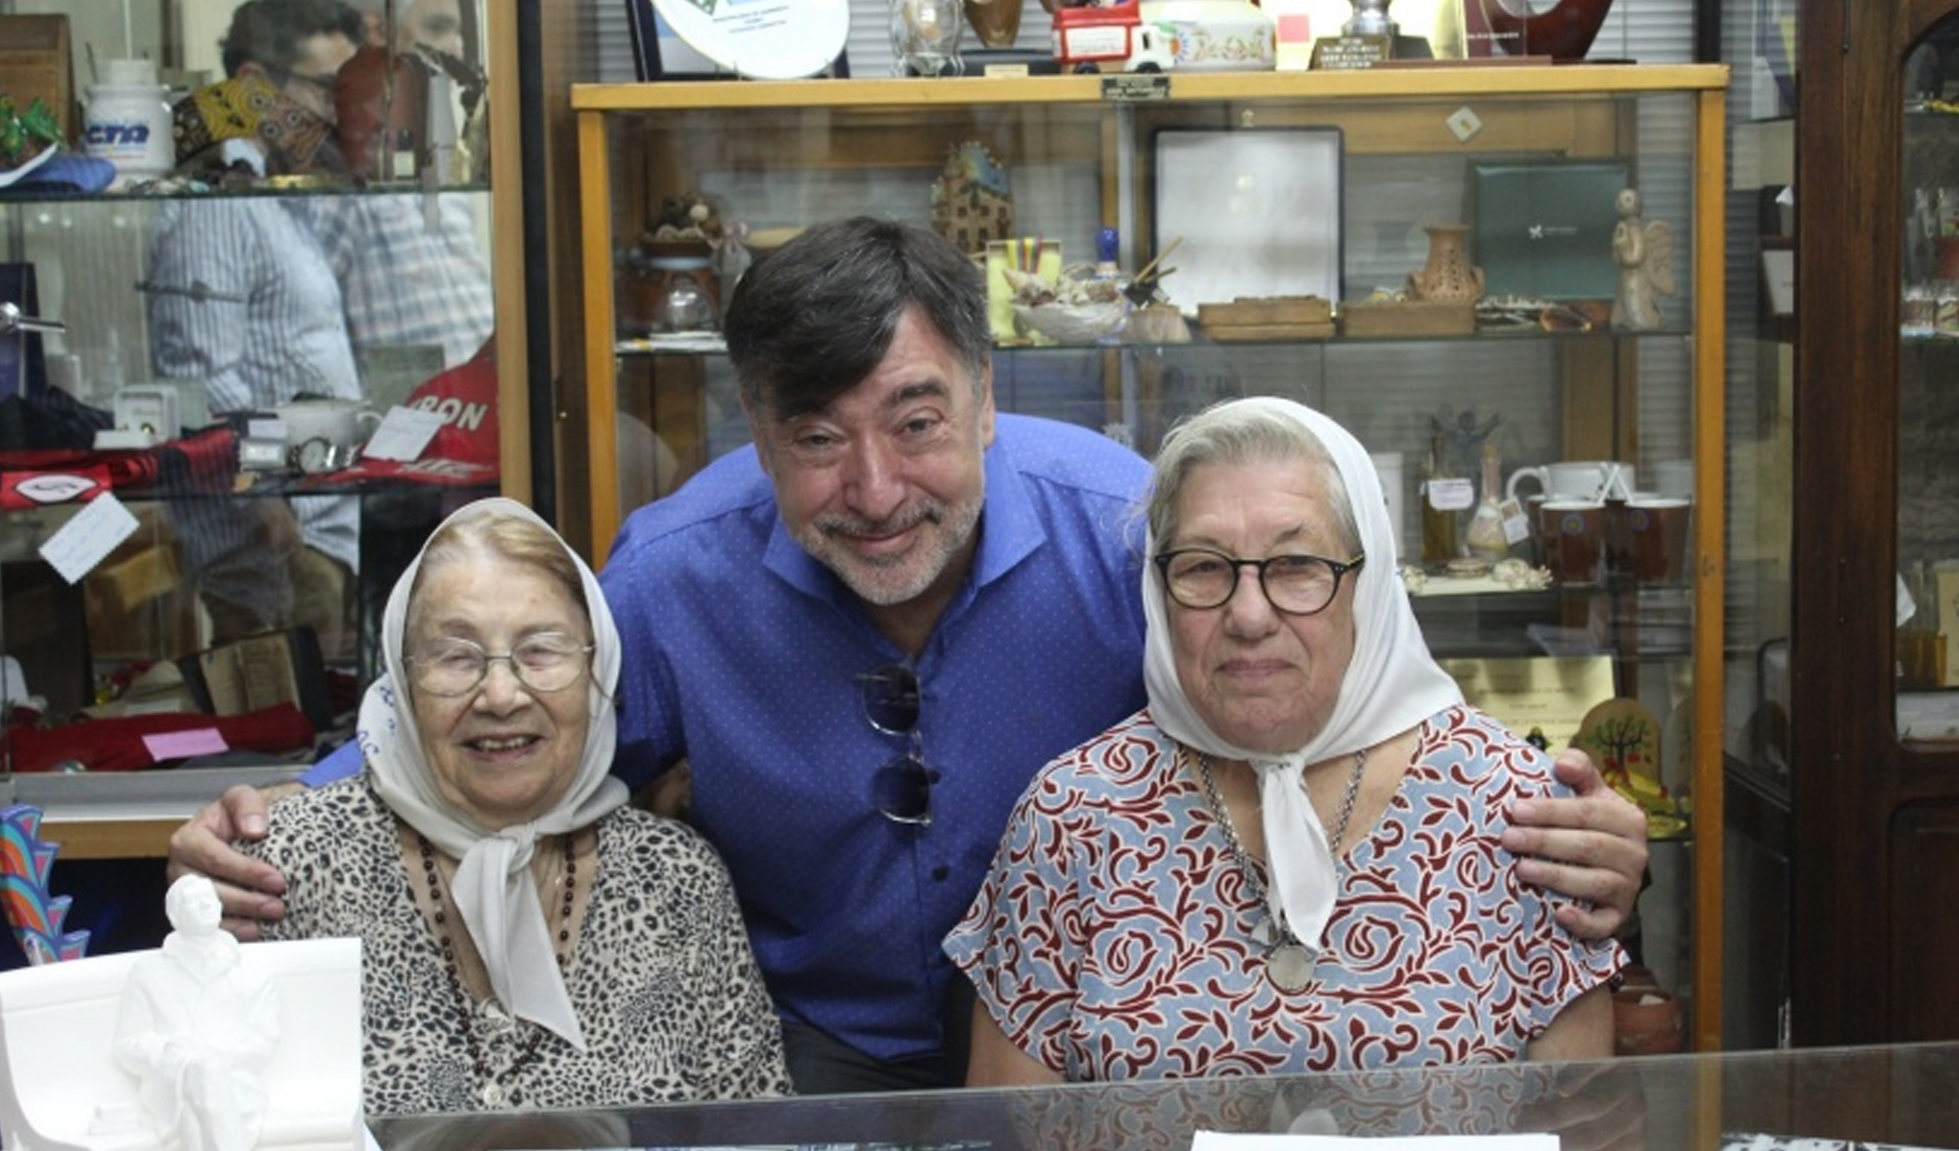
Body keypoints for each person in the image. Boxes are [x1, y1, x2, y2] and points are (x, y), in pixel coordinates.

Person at [169, 216, 1648, 1095]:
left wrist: (1558, 825)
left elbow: (1322, 682)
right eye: (815, 440)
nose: (875, 489)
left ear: (991, 395)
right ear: (752, 430)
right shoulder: (679, 579)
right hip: (804, 1052)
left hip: (1106, 1053)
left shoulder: (1132, 532)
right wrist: (281, 819)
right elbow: (513, 724)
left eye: (917, 419)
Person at [946, 396, 1620, 1082]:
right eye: (1203, 567)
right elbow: (1011, 1126)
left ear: (1368, 583)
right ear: (1159, 588)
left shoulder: (1516, 808)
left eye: (1296, 564)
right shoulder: (1073, 816)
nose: (1247, 614)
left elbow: (1582, 1125)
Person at [234, 497, 790, 1113]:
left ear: (596, 673)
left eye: (541, 651)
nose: (500, 695)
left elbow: (755, 1125)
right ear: (402, 679)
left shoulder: (676, 878)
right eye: (455, 656)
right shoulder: (291, 862)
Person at [145, 0, 369, 653]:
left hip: (320, 523)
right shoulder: (217, 202)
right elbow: (202, 376)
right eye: (324, 87)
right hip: (274, 545)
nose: (335, 110)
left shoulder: (276, 190)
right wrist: (265, 506)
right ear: (251, 86)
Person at [113, 876, 281, 1151]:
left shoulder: (251, 972)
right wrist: (170, 1052)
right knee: (194, 1088)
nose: (205, 905)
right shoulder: (148, 972)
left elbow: (263, 1040)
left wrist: (208, 1056)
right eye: (193, 900)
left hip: (236, 1085)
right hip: (169, 1084)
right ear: (174, 914)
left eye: (209, 898)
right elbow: (126, 1045)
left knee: (198, 1099)